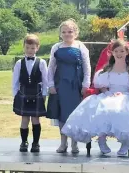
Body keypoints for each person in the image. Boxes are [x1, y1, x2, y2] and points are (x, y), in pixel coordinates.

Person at [62, 39, 129, 156]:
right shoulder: (107, 69)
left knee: (126, 112)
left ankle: (125, 144)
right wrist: (107, 93)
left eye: (122, 51)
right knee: (102, 109)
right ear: (112, 53)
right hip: (109, 95)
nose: (119, 54)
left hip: (126, 96)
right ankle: (102, 140)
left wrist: (126, 94)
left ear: (127, 52)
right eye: (116, 51)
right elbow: (101, 86)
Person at [46, 19, 91, 153]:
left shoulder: (80, 47)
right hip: (60, 85)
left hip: (75, 85)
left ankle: (74, 144)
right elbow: (51, 68)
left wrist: (85, 84)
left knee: (74, 114)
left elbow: (87, 67)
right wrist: (51, 84)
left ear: (75, 33)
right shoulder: (56, 47)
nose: (67, 34)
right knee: (62, 115)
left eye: (70, 31)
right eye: (64, 32)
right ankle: (63, 143)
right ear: (60, 34)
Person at [12, 34, 48, 152]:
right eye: (27, 47)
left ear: (37, 48)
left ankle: (36, 143)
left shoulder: (41, 62)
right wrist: (15, 94)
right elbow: (15, 80)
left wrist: (44, 94)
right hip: (23, 93)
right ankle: (24, 142)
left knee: (36, 119)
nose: (29, 50)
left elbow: (45, 80)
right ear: (24, 47)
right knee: (24, 119)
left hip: (37, 93)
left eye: (32, 48)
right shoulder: (19, 63)